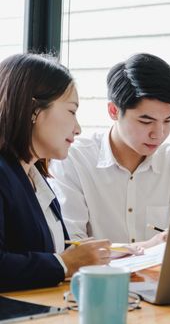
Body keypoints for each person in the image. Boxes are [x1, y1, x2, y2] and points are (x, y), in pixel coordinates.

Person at [49, 53, 170, 246]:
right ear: (114, 111)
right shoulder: (74, 160)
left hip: (162, 276)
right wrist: (148, 246)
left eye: (168, 120)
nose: (159, 133)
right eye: (146, 121)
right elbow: (72, 246)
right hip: (97, 277)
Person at [0, 54, 110, 292]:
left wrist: (92, 257)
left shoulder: (36, 179)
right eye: (71, 112)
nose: (78, 129)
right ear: (33, 109)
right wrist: (65, 263)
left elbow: (52, 254)